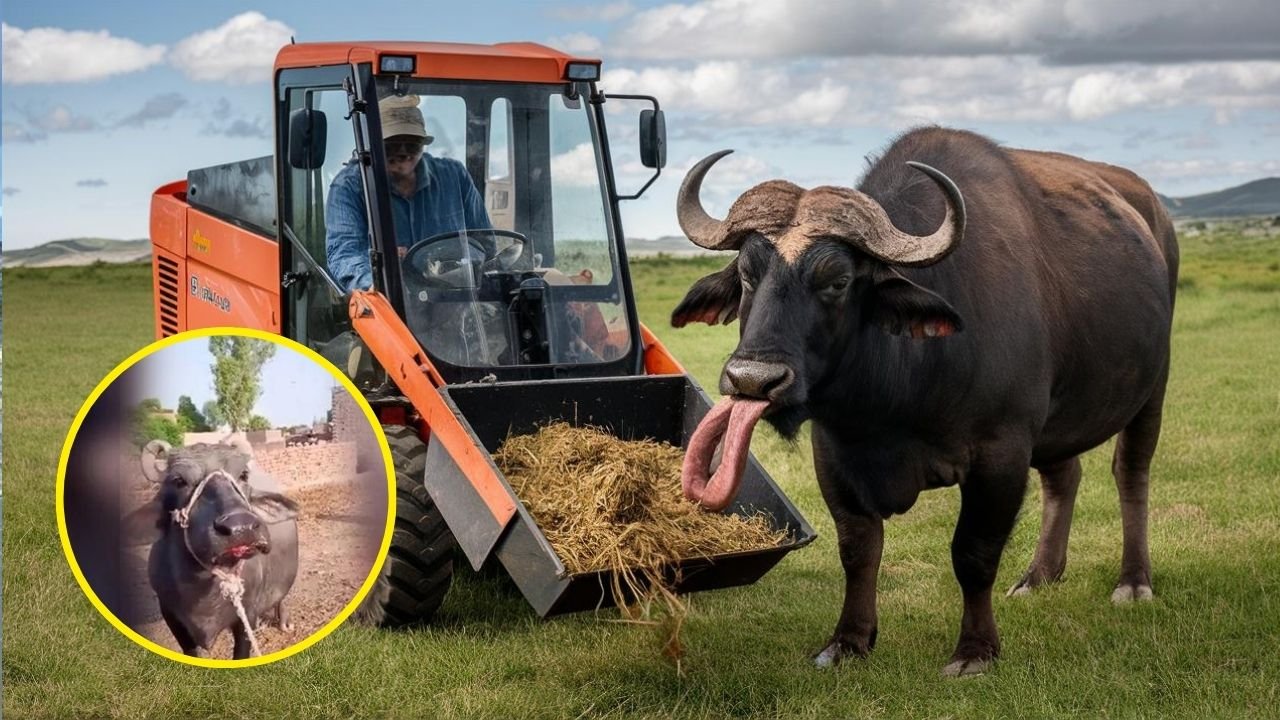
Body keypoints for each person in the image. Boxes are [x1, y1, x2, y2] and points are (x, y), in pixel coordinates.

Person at [325, 94, 492, 293]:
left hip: (452, 298)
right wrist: (375, 281)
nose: (403, 152)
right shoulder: (348, 187)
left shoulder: (454, 176)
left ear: (423, 145)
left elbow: (484, 242)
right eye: (392, 145)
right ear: (373, 145)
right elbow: (344, 253)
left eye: (412, 143)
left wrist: (458, 261)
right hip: (386, 301)